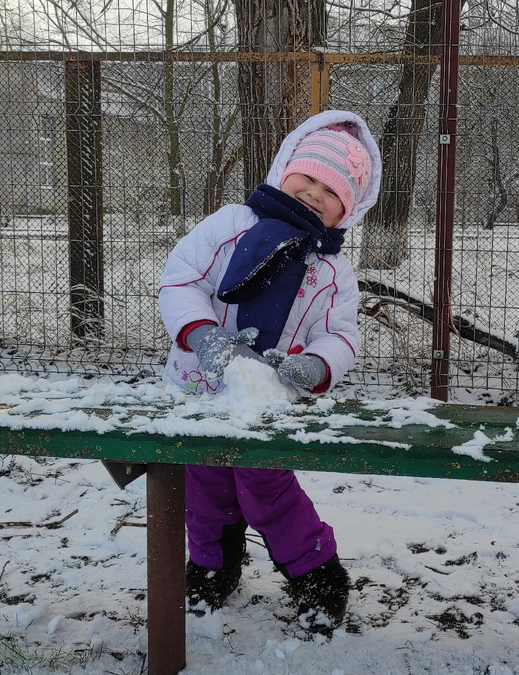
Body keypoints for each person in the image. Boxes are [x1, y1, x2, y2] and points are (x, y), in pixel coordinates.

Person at [156, 110, 379, 633]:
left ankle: (318, 580)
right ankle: (212, 572)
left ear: (346, 210)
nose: (314, 193)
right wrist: (201, 333)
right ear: (285, 169)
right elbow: (181, 279)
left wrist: (315, 365)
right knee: (205, 489)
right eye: (309, 178)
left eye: (332, 191)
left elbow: (342, 334)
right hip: (199, 392)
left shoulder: (331, 269)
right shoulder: (232, 225)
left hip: (269, 406)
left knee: (267, 491)